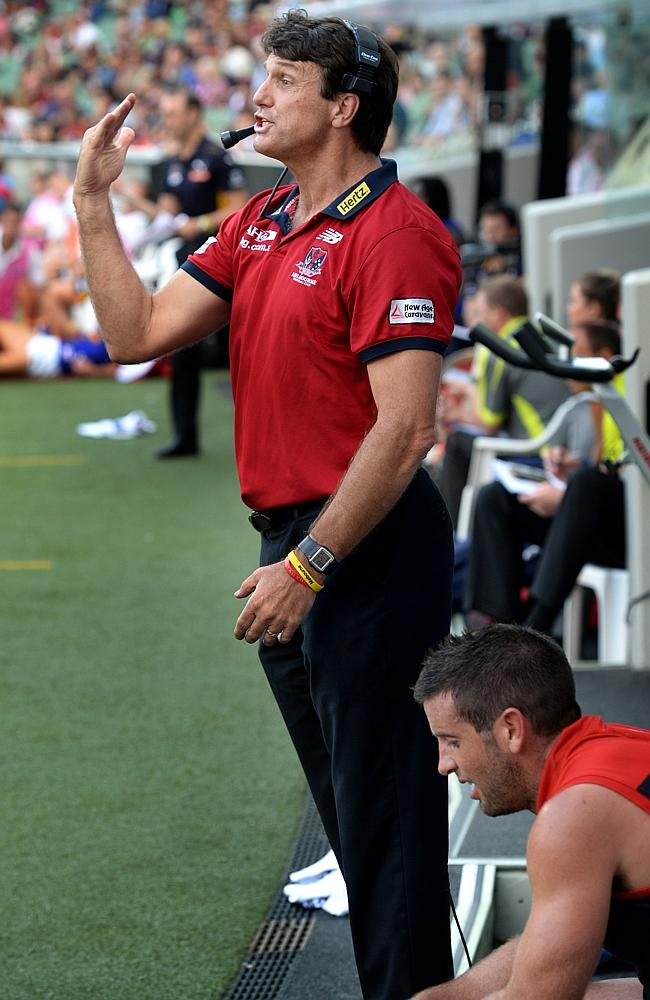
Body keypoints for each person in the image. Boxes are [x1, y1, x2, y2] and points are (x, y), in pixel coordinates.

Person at [72, 12, 462, 1000]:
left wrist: (308, 565)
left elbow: (405, 428)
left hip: (358, 549)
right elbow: (136, 332)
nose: (258, 98)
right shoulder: (261, 218)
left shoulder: (396, 233)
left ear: (342, 107)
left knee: (386, 830)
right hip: (298, 543)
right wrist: (90, 202)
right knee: (353, 817)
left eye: (282, 81)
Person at [411, 623, 650, 1000]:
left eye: (452, 741)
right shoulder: (615, 748)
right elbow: (552, 945)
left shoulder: (574, 817)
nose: (444, 764)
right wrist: (458, 993)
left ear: (511, 729)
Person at [464, 320, 624, 630]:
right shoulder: (593, 403)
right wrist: (569, 467)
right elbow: (610, 466)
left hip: (624, 531)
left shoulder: (627, 396)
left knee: (586, 484)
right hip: (586, 519)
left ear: (604, 357)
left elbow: (620, 481)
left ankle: (536, 627)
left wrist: (567, 495)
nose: (567, 366)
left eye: (575, 355)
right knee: (494, 497)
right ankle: (497, 626)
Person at [148, 88, 247, 458]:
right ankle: (184, 434)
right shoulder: (173, 162)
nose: (168, 120)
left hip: (216, 261)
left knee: (225, 348)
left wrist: (201, 222)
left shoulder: (215, 158)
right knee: (180, 347)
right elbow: (167, 215)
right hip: (183, 260)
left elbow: (238, 208)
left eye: (173, 112)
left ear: (193, 112)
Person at [435, 275, 570, 528]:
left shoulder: (498, 349)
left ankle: (452, 531)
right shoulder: (544, 334)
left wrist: (466, 389)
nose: (479, 320)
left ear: (498, 313)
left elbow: (489, 424)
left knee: (456, 443)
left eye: (481, 312)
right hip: (564, 448)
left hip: (537, 451)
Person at [0, 317, 114, 377]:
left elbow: (124, 372)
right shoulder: (106, 332)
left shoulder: (123, 349)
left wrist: (95, 371)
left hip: (50, 358)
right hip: (50, 342)